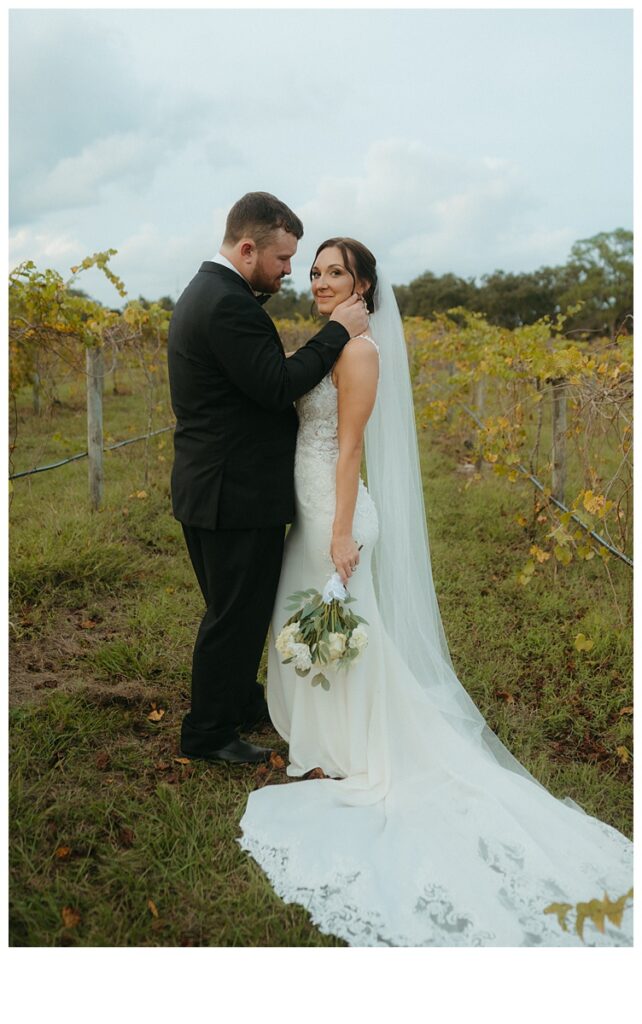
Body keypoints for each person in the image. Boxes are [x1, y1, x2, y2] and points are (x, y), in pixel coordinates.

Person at [238, 237, 633, 946]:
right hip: (312, 503)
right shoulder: (330, 341)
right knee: (318, 623)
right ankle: (325, 734)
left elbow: (350, 446)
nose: (321, 283)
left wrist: (340, 532)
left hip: (336, 512)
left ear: (363, 286)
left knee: (345, 630)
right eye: (318, 273)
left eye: (336, 274)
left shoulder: (358, 353)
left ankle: (356, 746)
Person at [167, 195, 368, 765]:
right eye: (284, 260)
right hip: (234, 493)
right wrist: (336, 332)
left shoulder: (209, 291)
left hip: (214, 485)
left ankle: (240, 698)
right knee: (233, 618)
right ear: (248, 248)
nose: (289, 272)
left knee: (236, 610)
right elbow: (277, 384)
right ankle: (208, 734)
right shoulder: (226, 303)